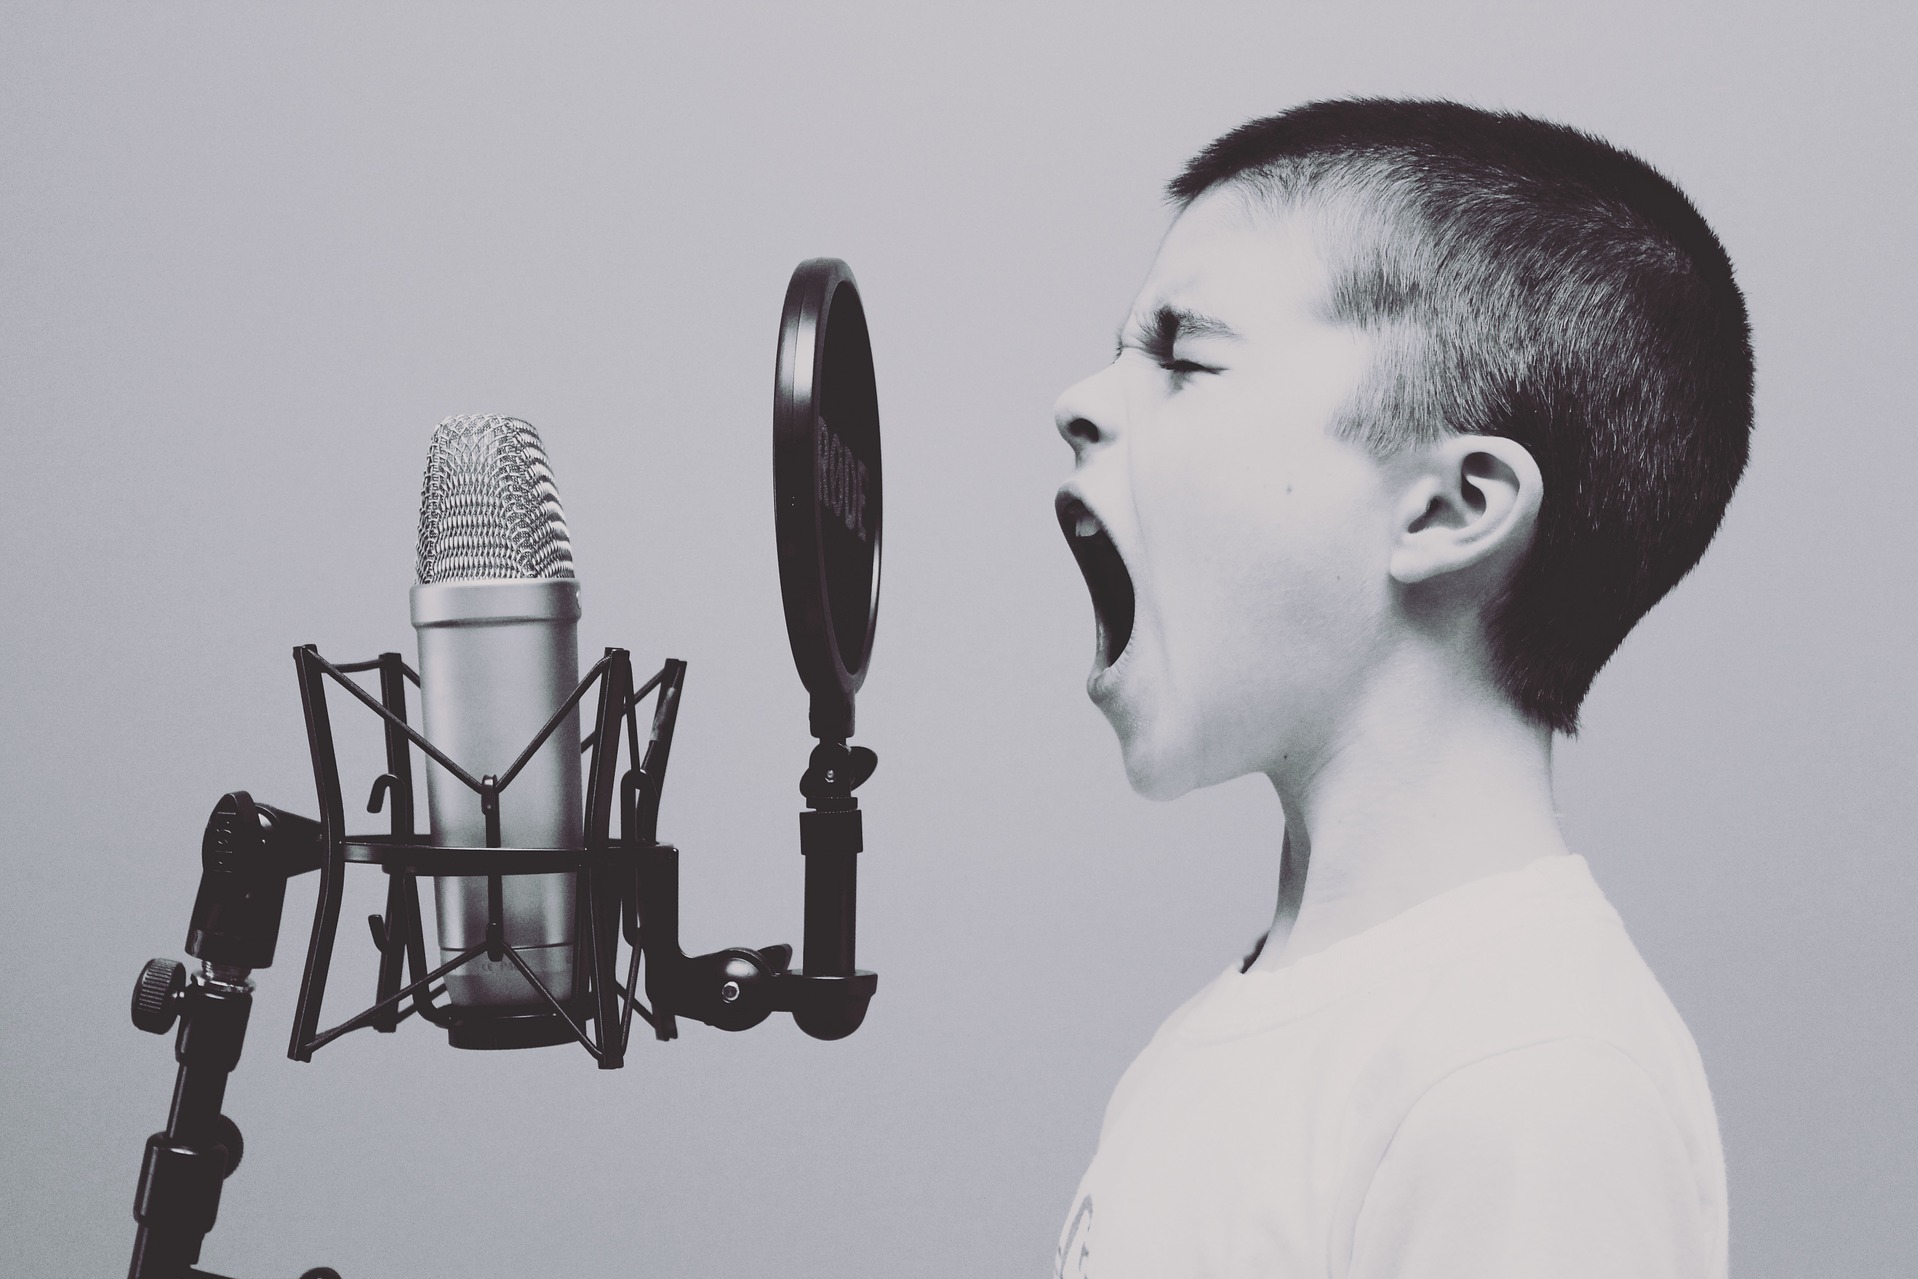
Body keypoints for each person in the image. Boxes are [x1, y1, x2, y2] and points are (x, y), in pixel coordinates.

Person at [1051, 98, 1751, 1279]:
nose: (1079, 402)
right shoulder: (1236, 1033)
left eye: (1183, 356)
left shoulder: (1527, 1082)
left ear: (1448, 507)